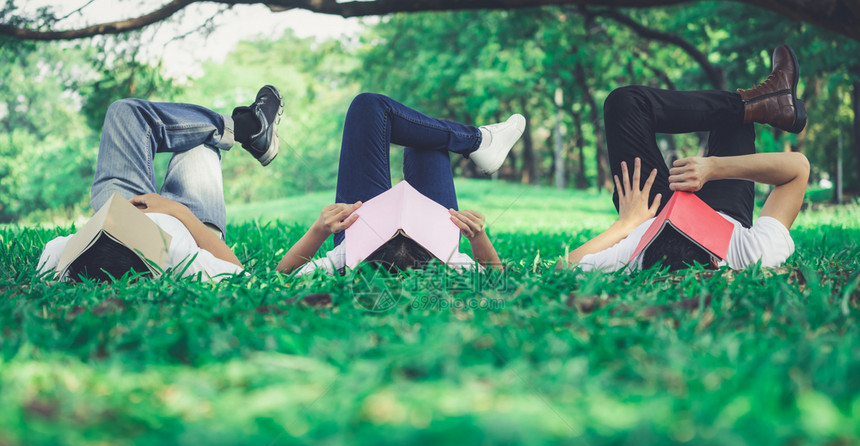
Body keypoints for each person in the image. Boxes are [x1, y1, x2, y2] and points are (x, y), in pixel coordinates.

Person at [560, 45, 810, 273]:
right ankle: (765, 103)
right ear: (717, 261)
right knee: (734, 123)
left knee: (624, 103)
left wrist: (626, 226)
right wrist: (713, 168)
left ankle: (765, 103)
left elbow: (561, 268)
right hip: (723, 216)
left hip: (650, 217)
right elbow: (797, 169)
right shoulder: (752, 254)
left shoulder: (634, 253)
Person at [37, 86, 283, 281]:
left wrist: (120, 216)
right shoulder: (175, 256)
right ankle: (249, 129)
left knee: (123, 111)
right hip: (190, 226)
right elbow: (238, 274)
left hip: (123, 207)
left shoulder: (65, 254)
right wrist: (177, 211)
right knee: (200, 144)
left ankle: (246, 128)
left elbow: (48, 269)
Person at [275, 93, 525, 275]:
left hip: (359, 229)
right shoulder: (448, 259)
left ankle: (478, 141)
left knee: (369, 107)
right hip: (434, 235)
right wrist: (478, 237)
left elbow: (282, 275)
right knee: (427, 143)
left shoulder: (346, 257)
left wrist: (319, 230)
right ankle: (478, 141)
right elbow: (495, 276)